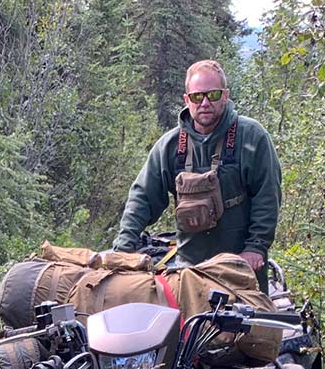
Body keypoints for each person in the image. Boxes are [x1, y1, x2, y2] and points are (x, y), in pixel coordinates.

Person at [111, 60, 281, 273]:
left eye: (214, 95)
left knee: (249, 307)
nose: (205, 103)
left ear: (226, 96)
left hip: (241, 266)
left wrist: (256, 247)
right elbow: (142, 198)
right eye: (197, 96)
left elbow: (267, 196)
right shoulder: (170, 146)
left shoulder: (252, 138)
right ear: (187, 100)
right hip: (189, 268)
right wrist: (122, 249)